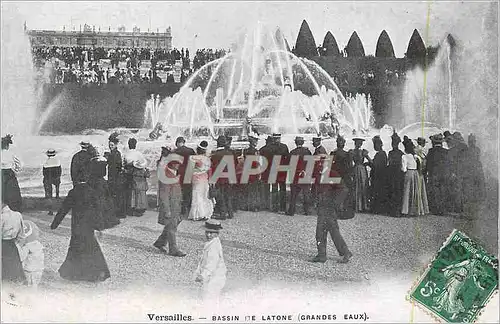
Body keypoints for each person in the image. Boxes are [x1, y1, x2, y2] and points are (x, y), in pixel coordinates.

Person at [50, 177, 111, 282]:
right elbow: (99, 211)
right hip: (89, 226)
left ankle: (74, 273)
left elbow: (64, 209)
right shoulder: (92, 191)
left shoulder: (74, 192)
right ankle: (97, 273)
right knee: (91, 246)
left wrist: (54, 224)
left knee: (75, 247)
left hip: (77, 225)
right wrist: (100, 227)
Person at [311, 154, 352, 263]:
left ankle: (342, 253)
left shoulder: (333, 174)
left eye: (323, 162)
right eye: (320, 162)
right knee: (323, 232)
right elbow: (315, 190)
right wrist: (315, 201)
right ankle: (322, 255)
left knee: (330, 231)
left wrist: (335, 203)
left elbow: (344, 189)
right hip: (322, 207)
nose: (320, 164)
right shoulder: (318, 175)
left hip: (330, 208)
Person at [154, 148, 186, 257]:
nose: (178, 165)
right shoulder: (166, 175)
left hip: (175, 204)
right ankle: (173, 249)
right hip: (170, 206)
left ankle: (160, 242)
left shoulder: (171, 172)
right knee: (172, 227)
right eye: (176, 163)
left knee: (172, 224)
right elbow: (164, 195)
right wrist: (167, 210)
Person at [194, 220, 227, 303]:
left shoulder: (214, 247)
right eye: (207, 232)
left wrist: (203, 275)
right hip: (211, 276)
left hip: (215, 276)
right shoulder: (211, 242)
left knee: (209, 297)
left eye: (211, 233)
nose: (208, 235)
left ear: (217, 234)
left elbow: (212, 263)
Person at [210, 136, 236, 220]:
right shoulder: (230, 153)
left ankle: (222, 213)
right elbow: (235, 164)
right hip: (229, 177)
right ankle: (230, 212)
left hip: (220, 178)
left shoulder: (215, 155)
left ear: (218, 143)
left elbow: (213, 168)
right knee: (228, 195)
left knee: (220, 196)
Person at [401, 137, 429, 216]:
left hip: (409, 173)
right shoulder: (416, 156)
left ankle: (407, 210)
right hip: (416, 173)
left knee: (407, 191)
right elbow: (421, 166)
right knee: (415, 191)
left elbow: (404, 169)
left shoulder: (404, 156)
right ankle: (416, 210)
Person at [123, 138, 149, 216]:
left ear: (129, 145)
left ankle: (131, 208)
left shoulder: (126, 154)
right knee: (139, 192)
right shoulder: (138, 154)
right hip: (137, 174)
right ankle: (139, 208)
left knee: (131, 192)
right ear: (135, 145)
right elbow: (144, 163)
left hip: (128, 174)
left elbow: (124, 164)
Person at [286, 136, 312, 216]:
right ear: (303, 143)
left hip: (295, 175)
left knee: (293, 194)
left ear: (295, 143)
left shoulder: (292, 152)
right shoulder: (307, 152)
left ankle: (291, 211)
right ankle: (307, 211)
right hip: (305, 174)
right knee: (306, 193)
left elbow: (289, 164)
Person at [189, 141, 214, 221]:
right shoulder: (207, 159)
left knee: (197, 195)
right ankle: (205, 213)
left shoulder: (193, 158)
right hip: (205, 177)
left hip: (196, 177)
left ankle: (199, 213)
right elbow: (209, 170)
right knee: (204, 195)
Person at [16, 220, 44, 289]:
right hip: (39, 269)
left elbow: (21, 257)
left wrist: (18, 246)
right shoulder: (38, 244)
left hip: (29, 270)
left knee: (28, 286)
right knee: (35, 286)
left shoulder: (27, 246)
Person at [426, 134, 450, 215]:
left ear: (433, 142)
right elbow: (449, 163)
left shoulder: (431, 151)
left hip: (434, 173)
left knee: (435, 191)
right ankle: (443, 209)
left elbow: (428, 164)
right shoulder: (446, 151)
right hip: (444, 173)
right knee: (443, 191)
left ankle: (436, 209)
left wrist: (426, 172)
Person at [173, 136, 196, 216]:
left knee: (181, 190)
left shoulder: (176, 151)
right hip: (189, 172)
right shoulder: (190, 150)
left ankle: (182, 209)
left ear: (177, 143)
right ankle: (188, 206)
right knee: (188, 189)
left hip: (180, 172)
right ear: (184, 142)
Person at [105, 133, 126, 218]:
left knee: (114, 195)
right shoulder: (115, 153)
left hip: (114, 177)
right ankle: (117, 212)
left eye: (112, 145)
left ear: (116, 145)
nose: (110, 146)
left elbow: (118, 166)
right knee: (115, 195)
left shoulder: (115, 154)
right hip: (113, 176)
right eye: (109, 145)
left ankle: (116, 213)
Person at [349, 138, 371, 212]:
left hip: (356, 168)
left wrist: (352, 170)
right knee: (362, 186)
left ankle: (358, 206)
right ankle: (363, 205)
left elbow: (350, 163)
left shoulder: (352, 152)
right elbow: (370, 161)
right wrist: (366, 164)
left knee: (357, 186)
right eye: (359, 143)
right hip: (362, 169)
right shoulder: (363, 152)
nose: (359, 144)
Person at [2, 134, 23, 212]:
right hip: (9, 173)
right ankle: (13, 209)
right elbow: (19, 164)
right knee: (12, 192)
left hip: (1, 173)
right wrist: (16, 170)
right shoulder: (11, 153)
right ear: (7, 145)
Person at [270, 133, 289, 213]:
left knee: (274, 189)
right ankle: (282, 207)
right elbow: (288, 158)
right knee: (282, 189)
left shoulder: (270, 147)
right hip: (282, 170)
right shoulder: (284, 147)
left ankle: (275, 208)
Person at [387, 131, 405, 217]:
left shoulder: (394, 153)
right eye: (392, 142)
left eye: (394, 143)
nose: (393, 144)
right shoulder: (399, 153)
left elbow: (390, 163)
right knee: (395, 191)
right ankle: (395, 210)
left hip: (395, 174)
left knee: (395, 191)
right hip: (396, 174)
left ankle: (395, 210)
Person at [369, 136, 388, 214]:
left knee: (377, 191)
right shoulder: (381, 153)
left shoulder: (380, 154)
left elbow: (375, 165)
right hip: (379, 176)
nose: (374, 146)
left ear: (380, 145)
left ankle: (377, 209)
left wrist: (367, 157)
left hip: (379, 177)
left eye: (375, 144)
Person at [311, 136, 327, 207]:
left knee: (317, 188)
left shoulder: (320, 150)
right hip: (318, 172)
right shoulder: (320, 149)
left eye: (314, 142)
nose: (313, 143)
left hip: (319, 172)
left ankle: (318, 203)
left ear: (318, 142)